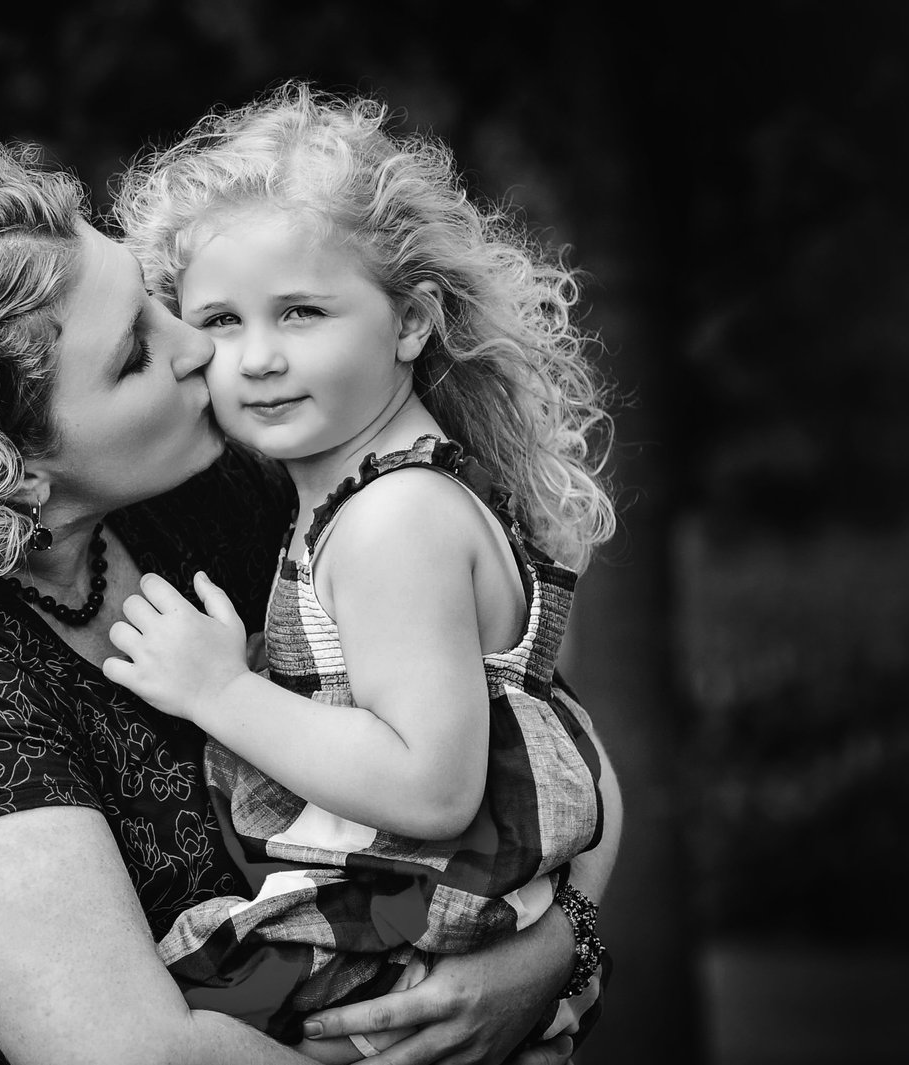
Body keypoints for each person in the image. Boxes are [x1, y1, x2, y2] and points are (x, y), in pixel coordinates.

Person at [0, 123, 616, 1065]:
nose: (203, 352)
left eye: (163, 305)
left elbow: (546, 745)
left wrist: (551, 950)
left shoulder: (227, 508)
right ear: (13, 470)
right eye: (136, 353)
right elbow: (138, 1053)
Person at [106, 84, 619, 1061]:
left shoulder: (392, 521)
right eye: (217, 320)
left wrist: (220, 689)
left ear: (412, 322)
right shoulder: (374, 494)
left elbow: (430, 791)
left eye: (300, 312)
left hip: (409, 949)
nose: (255, 358)